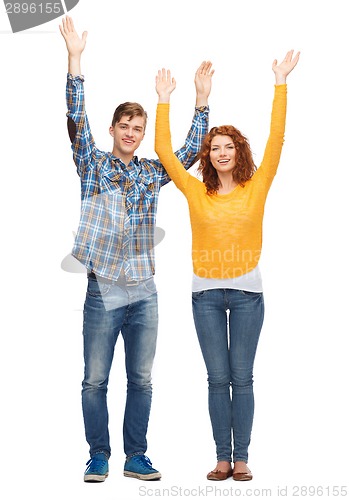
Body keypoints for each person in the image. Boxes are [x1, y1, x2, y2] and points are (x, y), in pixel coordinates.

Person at [59, 15, 213, 482]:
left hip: (143, 290)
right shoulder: (92, 163)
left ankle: (136, 456)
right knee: (95, 380)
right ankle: (99, 454)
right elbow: (75, 119)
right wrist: (74, 60)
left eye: (138, 127)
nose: (131, 132)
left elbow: (186, 151)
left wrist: (199, 101)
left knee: (142, 380)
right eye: (125, 125)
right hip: (103, 290)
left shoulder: (150, 171)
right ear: (113, 129)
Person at [155, 50, 300, 481]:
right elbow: (163, 149)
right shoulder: (194, 191)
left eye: (228, 146)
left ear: (239, 151)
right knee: (217, 380)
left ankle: (243, 459)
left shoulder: (257, 187)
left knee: (243, 378)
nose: (221, 153)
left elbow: (276, 138)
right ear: (207, 156)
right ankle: (222, 457)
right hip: (205, 296)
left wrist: (280, 82)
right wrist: (166, 98)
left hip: (248, 294)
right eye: (214, 148)